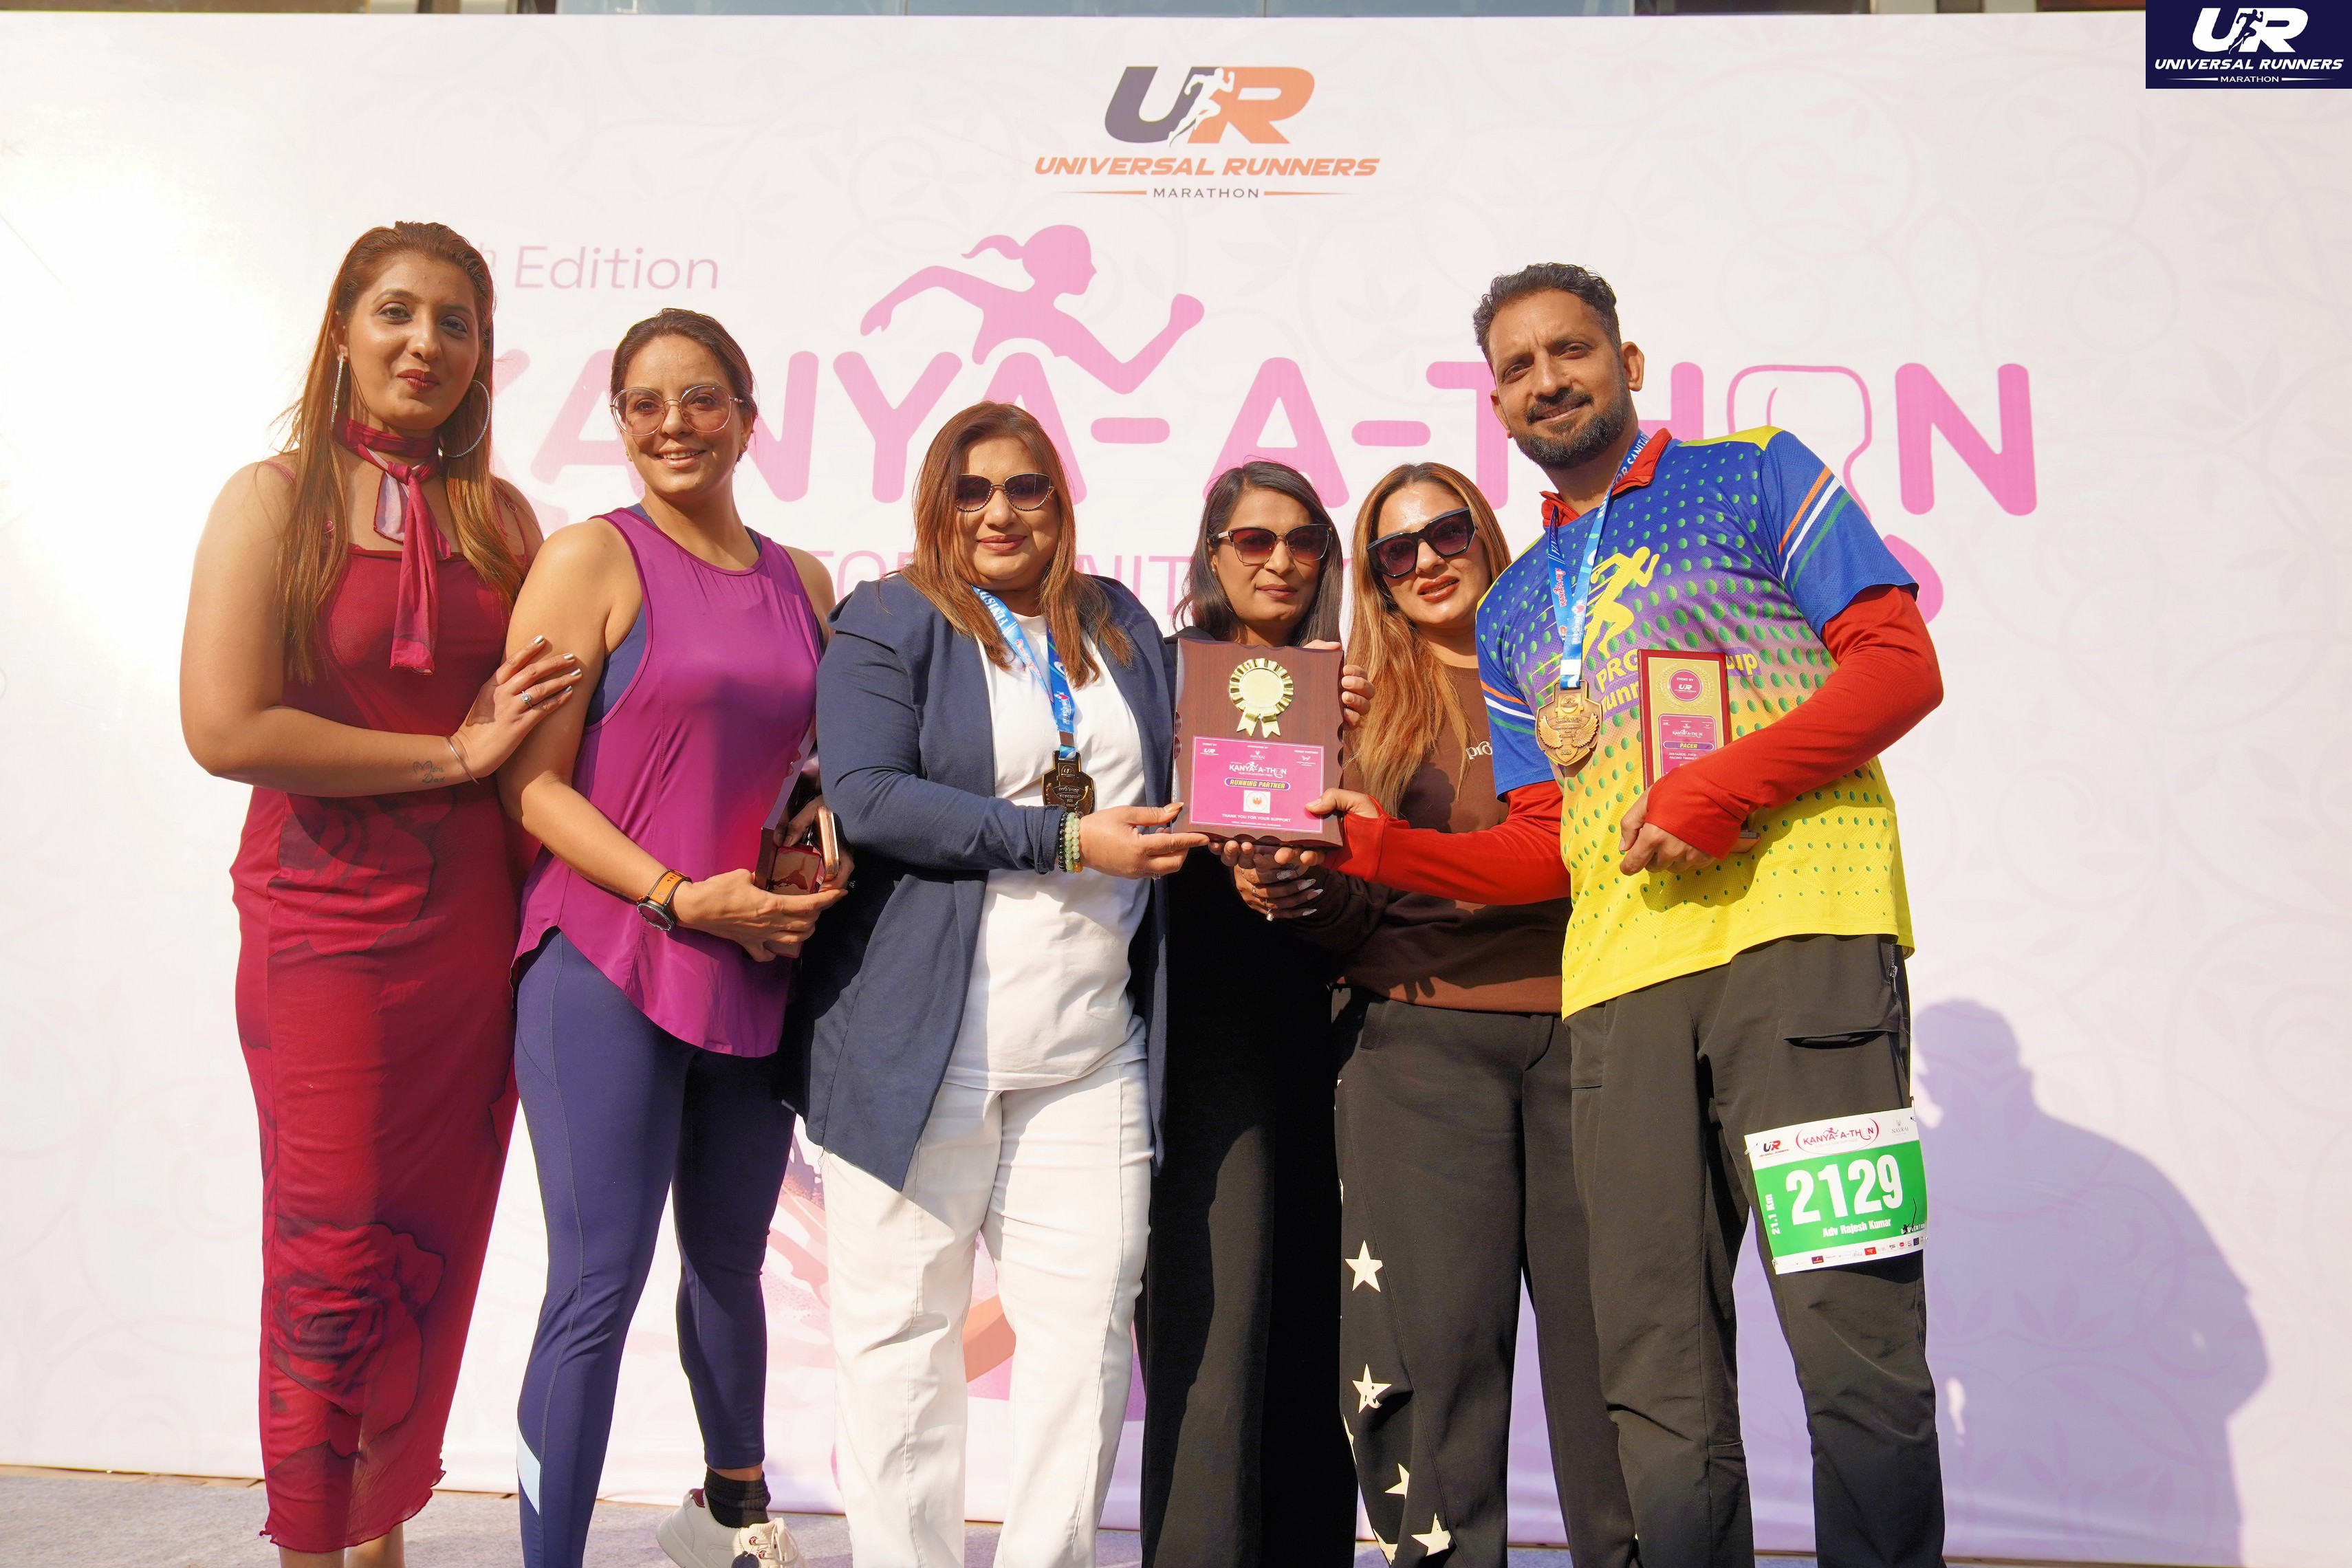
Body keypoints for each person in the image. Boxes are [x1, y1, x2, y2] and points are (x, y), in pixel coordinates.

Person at [1310, 264, 1948, 1568]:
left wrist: (1722, 786)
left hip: (1802, 950)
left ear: (1629, 361)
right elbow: (1544, 846)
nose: (1548, 381)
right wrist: (1377, 844)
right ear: (1497, 402)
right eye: (1519, 368)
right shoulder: (1514, 605)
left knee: (1853, 1339)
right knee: (1655, 1372)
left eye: (1571, 351)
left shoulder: (1758, 471)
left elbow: (1899, 664)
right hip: (1617, 1000)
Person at [182, 221, 575, 1567]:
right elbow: (226, 728)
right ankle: (313, 1545)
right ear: (342, 330)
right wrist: (447, 757)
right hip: (326, 934)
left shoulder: (502, 522)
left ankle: (378, 1536)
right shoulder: (269, 502)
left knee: (427, 1251)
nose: (426, 343)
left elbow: (544, 731)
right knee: (331, 1261)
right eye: (397, 312)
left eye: (456, 323)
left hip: (472, 936)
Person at [786, 402, 1200, 1568]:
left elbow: (1204, 745)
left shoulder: (1117, 622)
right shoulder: (890, 619)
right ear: (937, 504)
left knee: (1084, 1349)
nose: (1000, 513)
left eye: (1026, 488)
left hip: (1089, 1055)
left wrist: (1313, 722)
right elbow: (870, 797)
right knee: (901, 1352)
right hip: (921, 1055)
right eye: (972, 490)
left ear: (1061, 502)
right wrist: (1065, 841)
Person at [1234, 462, 1635, 1568]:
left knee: (1616, 1356)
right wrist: (1290, 889)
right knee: (1436, 1359)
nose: (1425, 562)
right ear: (1373, 577)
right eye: (1394, 551)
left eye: (1446, 532)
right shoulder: (1351, 702)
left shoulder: (1577, 664)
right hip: (1415, 1043)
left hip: (1591, 1032)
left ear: (1487, 536)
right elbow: (1342, 906)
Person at [499, 309, 842, 1568]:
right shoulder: (590, 558)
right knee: (596, 1289)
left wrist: (812, 850)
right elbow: (529, 785)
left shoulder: (805, 581)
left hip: (750, 968)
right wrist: (677, 896)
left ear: (748, 419)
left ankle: (734, 1522)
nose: (672, 426)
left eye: (700, 400)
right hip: (605, 960)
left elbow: (806, 774)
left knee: (730, 1267)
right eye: (643, 404)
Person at [1138, 460, 1358, 1568]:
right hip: (1203, 1028)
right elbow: (1082, 797)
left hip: (1337, 1026)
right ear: (1211, 553)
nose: (1280, 562)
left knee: (1324, 1319)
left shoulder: (1356, 681)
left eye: (1303, 541)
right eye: (1254, 540)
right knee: (1213, 1323)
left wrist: (1361, 732)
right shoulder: (1157, 673)